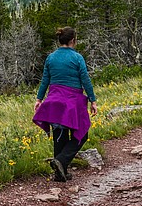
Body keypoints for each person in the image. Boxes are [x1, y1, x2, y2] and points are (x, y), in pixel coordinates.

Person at [32, 26, 97, 183]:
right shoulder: (77, 58)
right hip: (71, 102)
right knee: (81, 134)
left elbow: (45, 80)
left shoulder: (51, 58)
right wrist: (93, 100)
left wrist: (39, 99)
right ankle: (61, 161)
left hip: (53, 101)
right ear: (73, 40)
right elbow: (85, 80)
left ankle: (60, 174)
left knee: (59, 135)